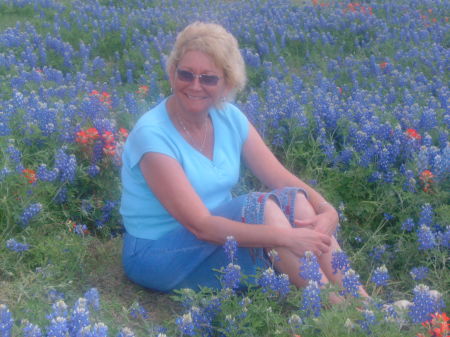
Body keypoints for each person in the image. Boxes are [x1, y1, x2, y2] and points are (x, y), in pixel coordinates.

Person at [120, 21, 367, 300]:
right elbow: (200, 225)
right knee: (264, 211)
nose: (195, 86)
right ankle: (339, 313)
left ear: (227, 81)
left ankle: (363, 304)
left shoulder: (228, 117)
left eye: (208, 78)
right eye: (185, 74)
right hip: (160, 252)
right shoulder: (152, 135)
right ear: (172, 73)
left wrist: (327, 210)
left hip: (220, 236)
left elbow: (281, 178)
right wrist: (286, 237)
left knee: (296, 201)